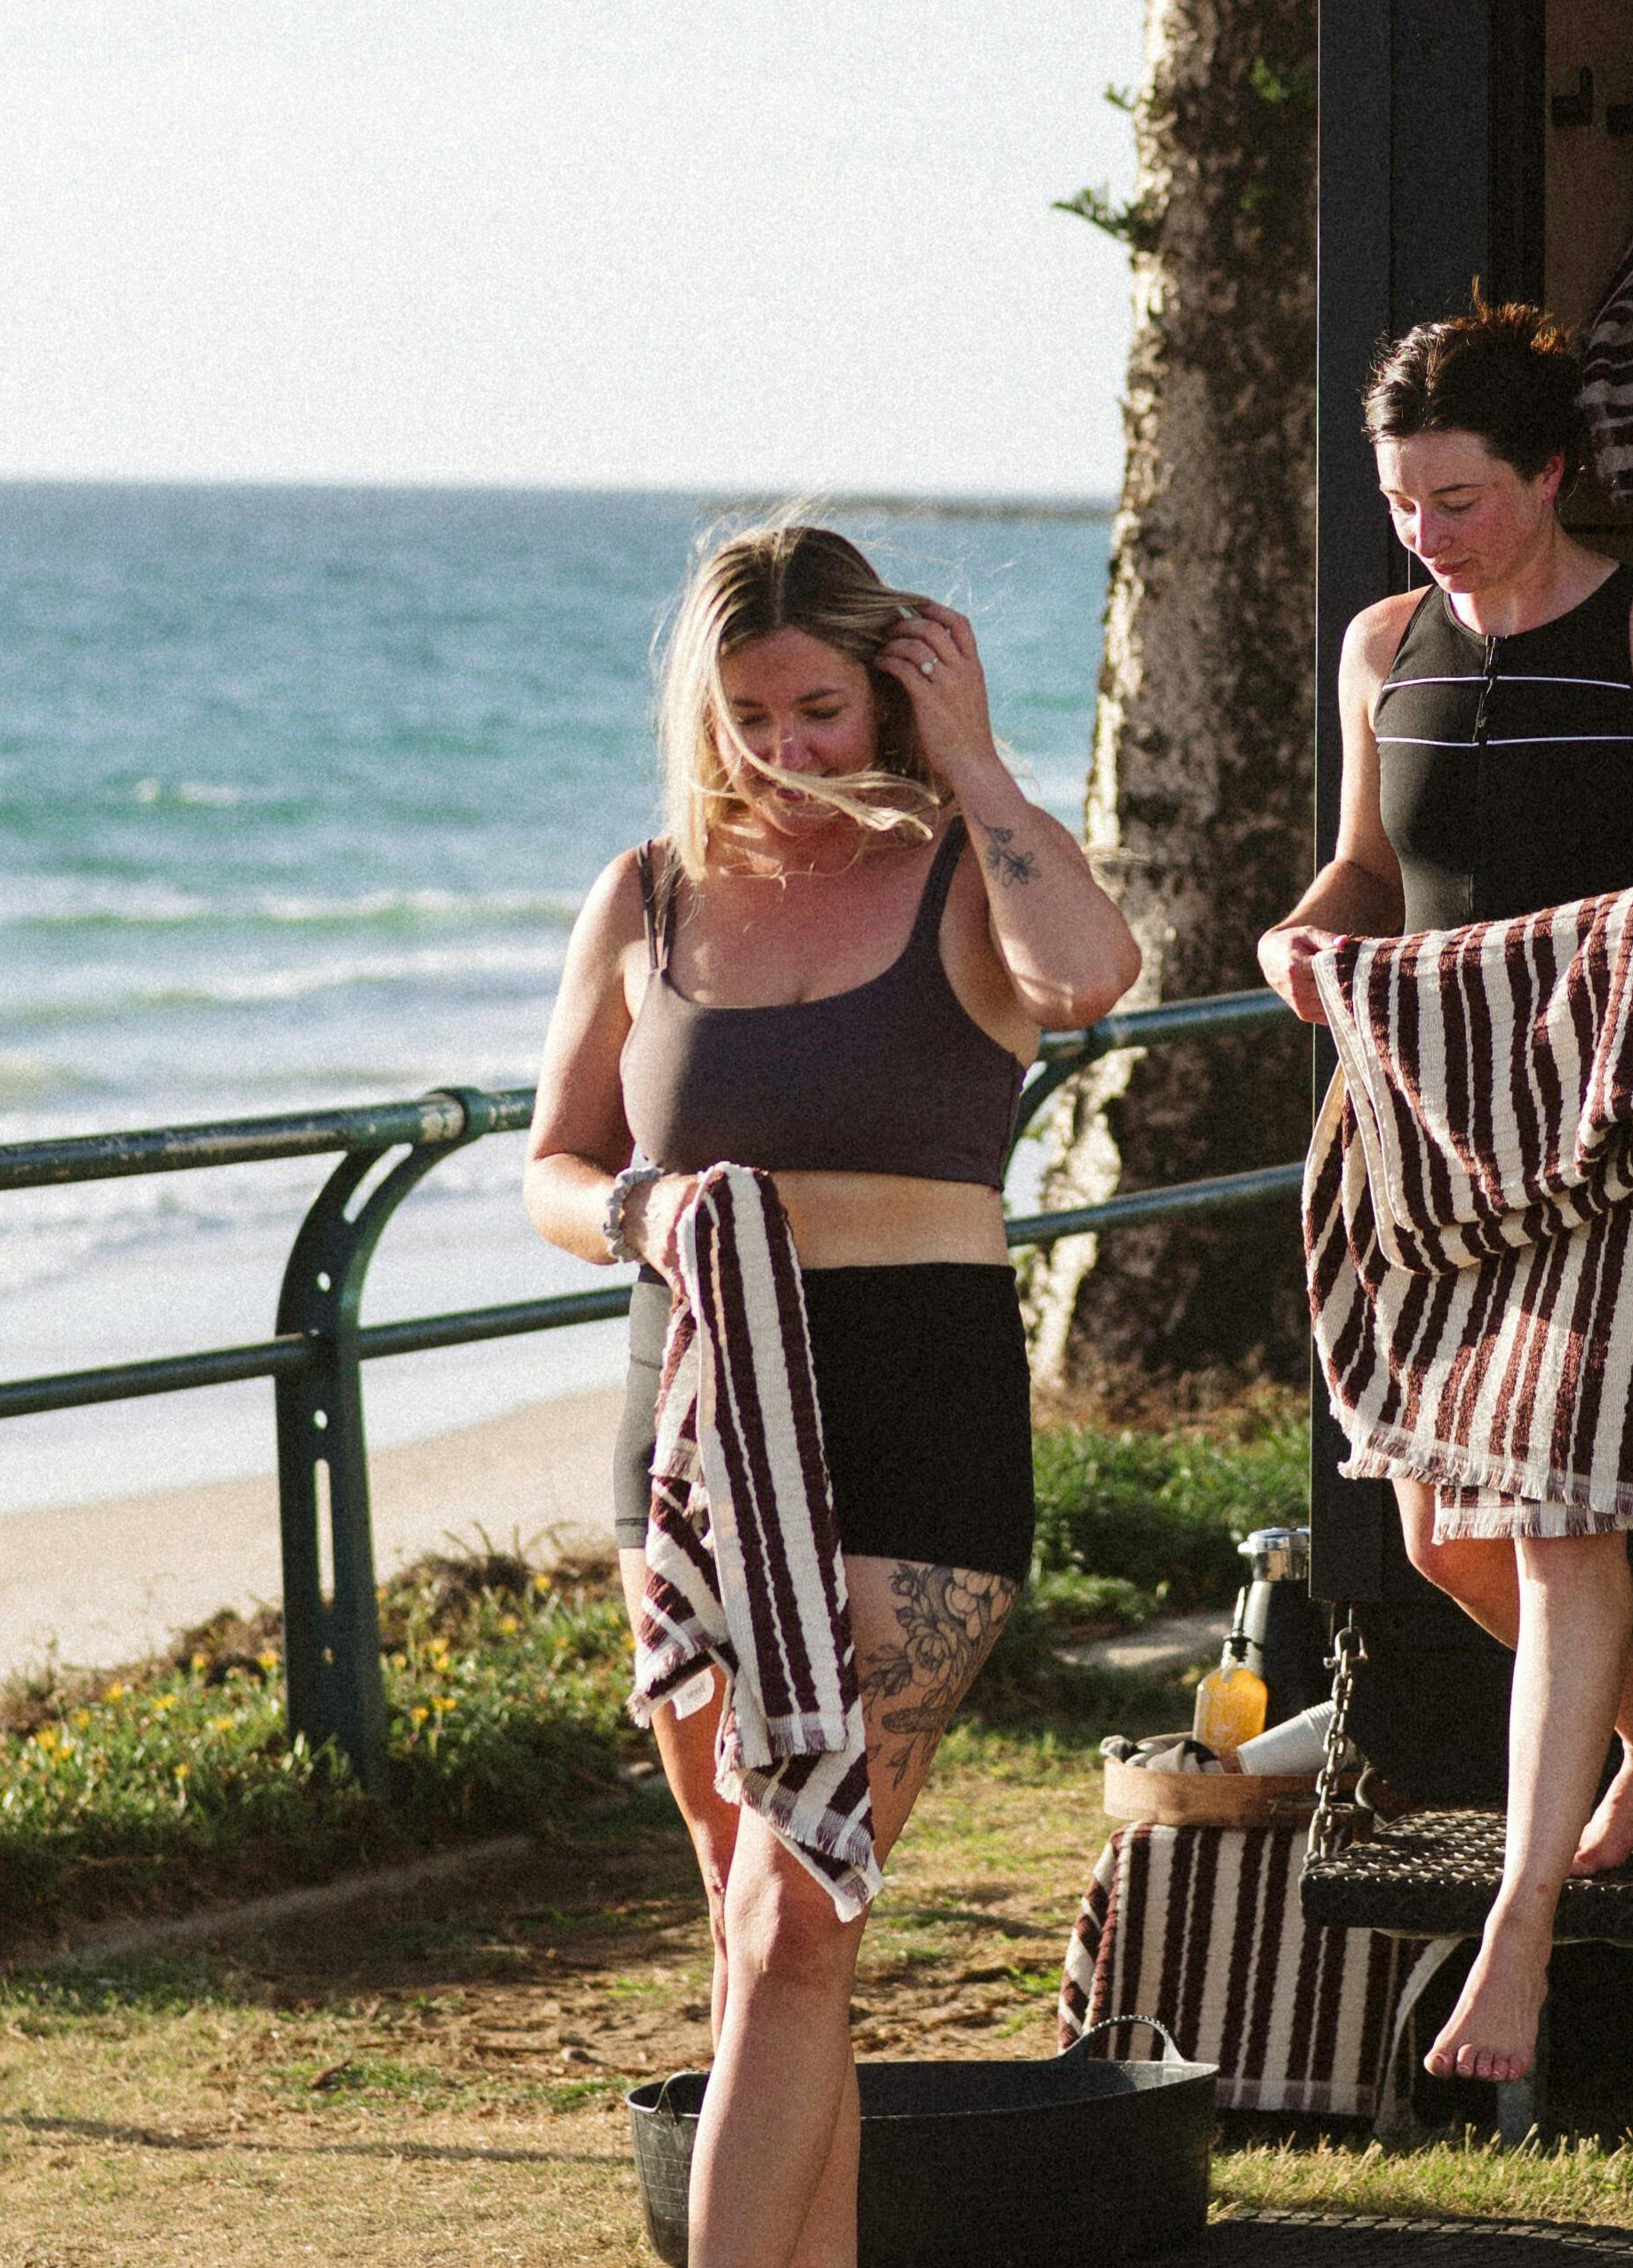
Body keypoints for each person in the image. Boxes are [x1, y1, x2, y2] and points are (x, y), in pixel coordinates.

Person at [1258, 303, 1633, 2089]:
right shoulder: (1383, 646)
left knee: (1546, 1531)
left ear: (1546, 472)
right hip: (1428, 1142)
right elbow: (1375, 868)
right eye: (1398, 502)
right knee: (1441, 1535)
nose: (1424, 535)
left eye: (1456, 497)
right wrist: (1309, 937)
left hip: (1615, 1139)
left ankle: (1514, 1944)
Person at [527, 521, 1139, 2268]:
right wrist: (638, 1208)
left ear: (885, 688)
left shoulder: (975, 868)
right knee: (766, 1939)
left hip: (914, 1430)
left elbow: (1089, 981)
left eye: (816, 706)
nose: (783, 750)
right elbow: (553, 1166)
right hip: (696, 1428)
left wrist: (974, 759)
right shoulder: (643, 893)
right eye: (744, 716)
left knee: (792, 1925)